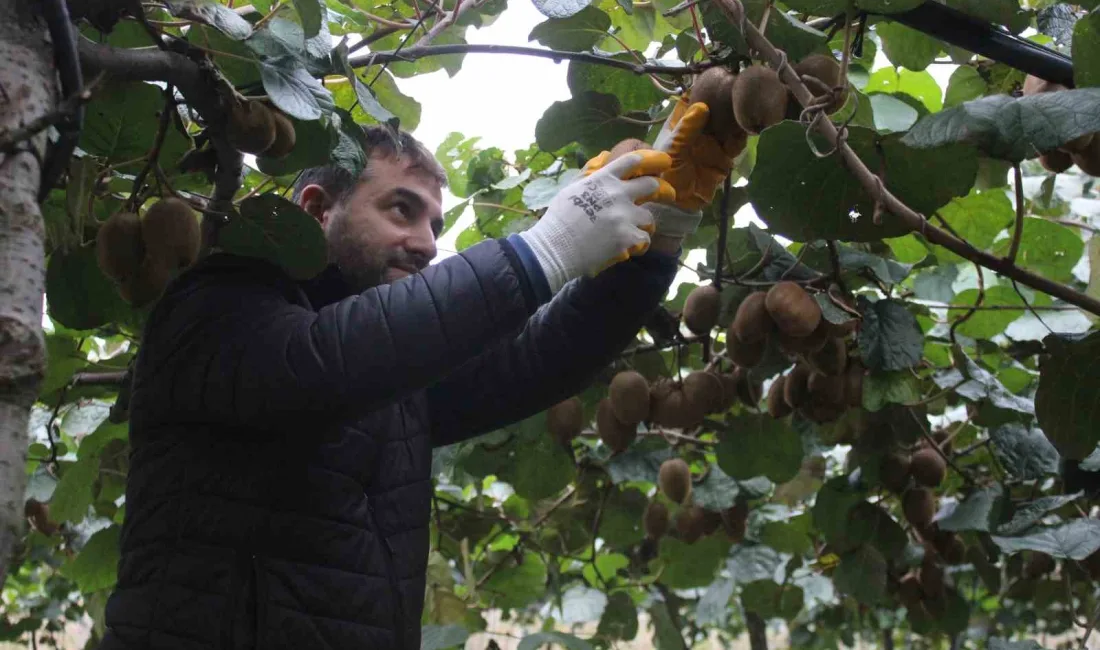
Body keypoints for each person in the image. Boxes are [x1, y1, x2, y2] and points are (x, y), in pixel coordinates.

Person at [96, 94, 739, 650]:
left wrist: (660, 234)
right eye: (401, 211)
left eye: (434, 223)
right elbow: (319, 363)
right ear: (318, 208)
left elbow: (536, 361)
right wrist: (545, 248)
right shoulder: (215, 307)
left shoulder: (395, 381)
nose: (430, 243)